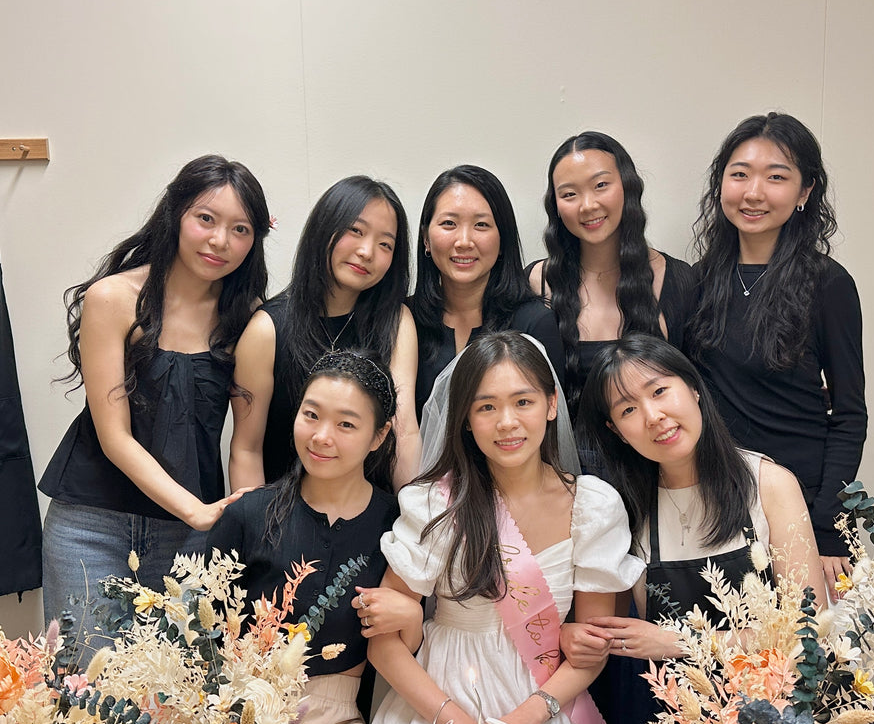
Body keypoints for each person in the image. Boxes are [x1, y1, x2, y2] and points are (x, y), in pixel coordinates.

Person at [362, 331, 640, 724]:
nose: (506, 422)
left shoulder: (593, 507)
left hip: (543, 706)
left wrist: (522, 721)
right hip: (436, 704)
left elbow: (591, 646)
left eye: (522, 401)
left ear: (551, 405)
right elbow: (383, 643)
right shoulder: (436, 502)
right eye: (486, 407)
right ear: (466, 420)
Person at [38, 155, 268, 641]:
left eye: (241, 229)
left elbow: (246, 446)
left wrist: (251, 533)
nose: (220, 241)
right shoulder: (113, 298)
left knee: (172, 703)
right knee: (84, 699)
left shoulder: (249, 318)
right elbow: (114, 436)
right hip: (90, 524)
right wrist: (197, 512)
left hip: (188, 536)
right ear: (176, 214)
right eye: (206, 219)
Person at [563, 333, 821, 724]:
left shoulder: (769, 484)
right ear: (616, 430)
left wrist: (678, 642)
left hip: (786, 716)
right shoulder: (625, 510)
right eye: (629, 409)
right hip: (680, 723)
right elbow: (603, 626)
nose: (653, 416)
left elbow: (807, 630)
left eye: (660, 391)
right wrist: (573, 636)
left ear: (694, 388)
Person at [196, 350, 414, 724]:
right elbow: (201, 631)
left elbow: (408, 643)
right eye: (311, 415)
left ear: (379, 436)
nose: (321, 437)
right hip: (236, 713)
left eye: (346, 424)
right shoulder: (247, 514)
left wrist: (413, 614)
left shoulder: (397, 524)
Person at [684, 113, 866, 585]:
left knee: (801, 652)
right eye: (740, 173)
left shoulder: (827, 284)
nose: (754, 192)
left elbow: (848, 414)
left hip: (801, 509)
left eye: (777, 177)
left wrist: (828, 531)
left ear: (805, 192)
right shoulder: (697, 281)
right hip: (717, 506)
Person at [229, 176, 421, 490]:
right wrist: (258, 532)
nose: (366, 251)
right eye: (355, 231)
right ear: (324, 229)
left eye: (385, 244)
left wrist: (413, 521)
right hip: (286, 517)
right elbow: (246, 449)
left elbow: (404, 430)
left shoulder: (396, 321)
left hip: (374, 520)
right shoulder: (267, 330)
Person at [528, 131, 695, 412]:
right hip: (560, 456)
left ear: (628, 186)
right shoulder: (536, 283)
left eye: (601, 185)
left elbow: (697, 391)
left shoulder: (679, 280)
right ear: (555, 206)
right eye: (569, 194)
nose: (588, 205)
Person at [410, 164, 565, 412]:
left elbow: (548, 429)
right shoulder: (403, 320)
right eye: (449, 223)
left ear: (503, 240)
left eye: (481, 225)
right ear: (426, 239)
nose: (464, 241)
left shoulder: (534, 324)